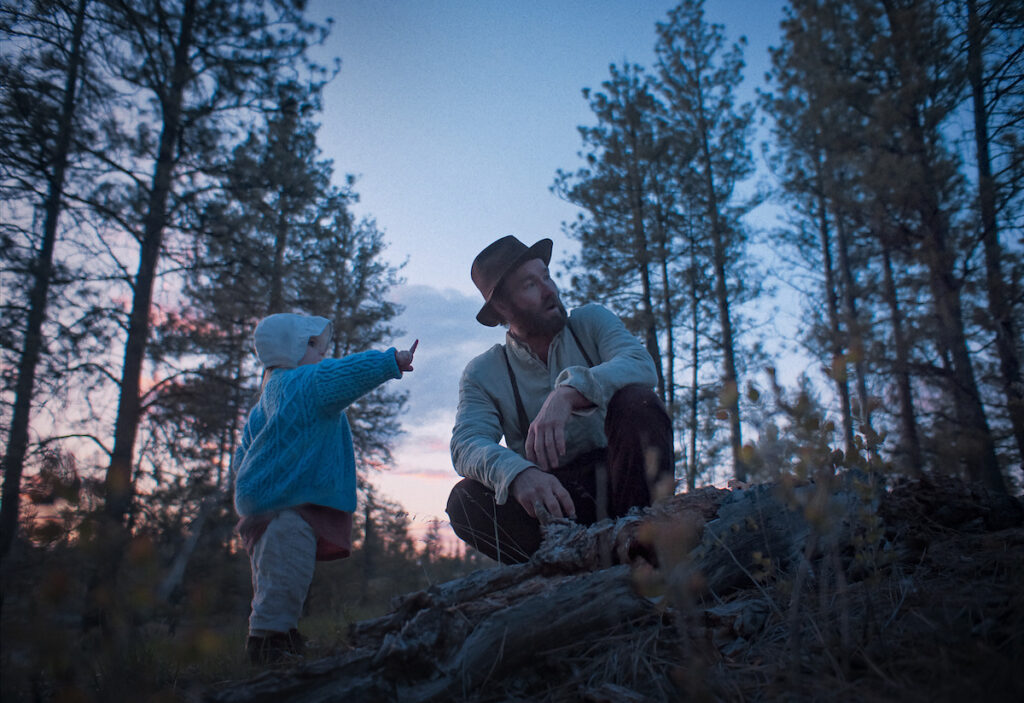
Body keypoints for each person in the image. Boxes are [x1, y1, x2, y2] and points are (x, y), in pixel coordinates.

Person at [447, 235, 674, 564]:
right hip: (552, 504)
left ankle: (644, 553)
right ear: (501, 308)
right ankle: (559, 571)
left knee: (637, 401)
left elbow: (640, 364)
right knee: (465, 500)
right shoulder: (483, 372)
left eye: (546, 277)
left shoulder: (591, 322)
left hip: (625, 481)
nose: (550, 290)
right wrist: (516, 473)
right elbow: (466, 443)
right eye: (530, 285)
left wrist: (569, 392)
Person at [232, 312, 417, 665]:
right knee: (286, 576)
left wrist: (251, 488)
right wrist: (390, 361)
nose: (322, 354)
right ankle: (269, 646)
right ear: (289, 350)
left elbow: (243, 455)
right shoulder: (307, 383)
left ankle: (281, 635)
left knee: (275, 578)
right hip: (289, 506)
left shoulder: (265, 401)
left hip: (265, 507)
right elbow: (347, 373)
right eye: (313, 346)